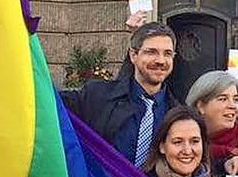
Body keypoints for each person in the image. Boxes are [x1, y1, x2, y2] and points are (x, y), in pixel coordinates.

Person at [62, 19, 181, 165]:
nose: (161, 61)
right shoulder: (96, 97)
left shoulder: (177, 114)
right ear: (133, 55)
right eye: (151, 52)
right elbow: (47, 101)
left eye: (167, 54)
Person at [186, 71, 238, 176]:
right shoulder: (185, 150)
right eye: (223, 99)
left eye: (235, 100)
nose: (233, 106)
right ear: (201, 106)